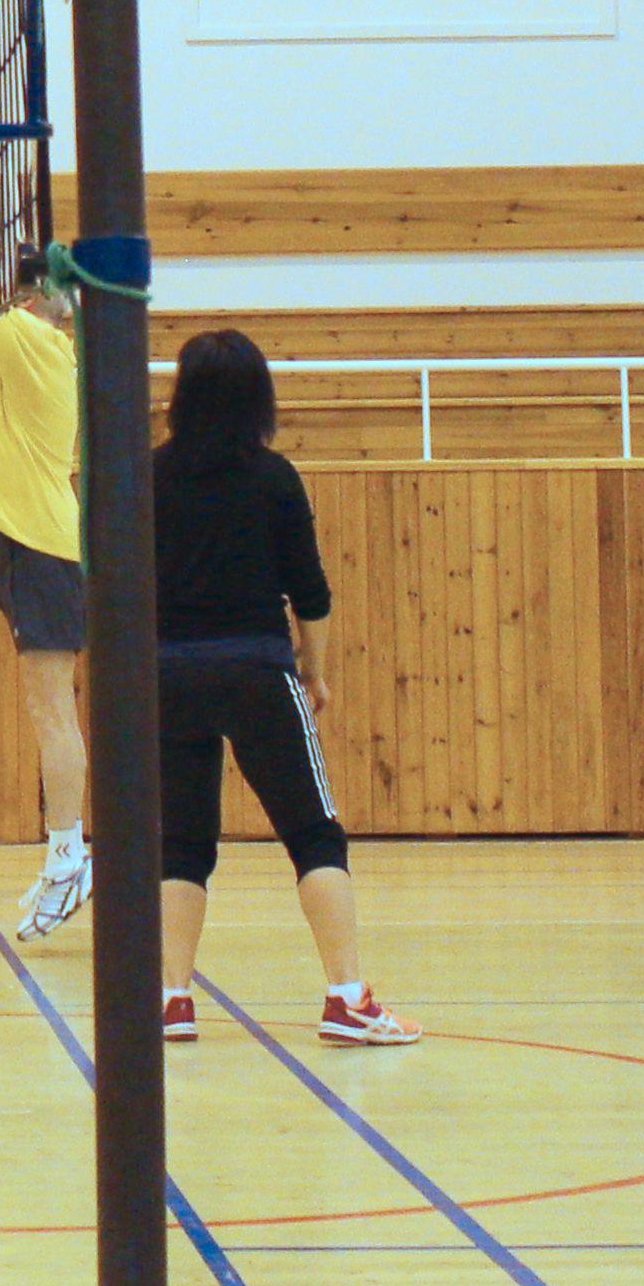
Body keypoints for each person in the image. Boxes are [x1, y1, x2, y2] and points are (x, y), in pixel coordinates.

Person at [148, 328, 413, 1051]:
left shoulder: (149, 476)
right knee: (314, 834)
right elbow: (311, 593)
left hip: (168, 676)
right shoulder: (274, 479)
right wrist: (313, 670)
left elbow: (118, 584)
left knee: (182, 844)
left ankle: (171, 999)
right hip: (257, 671)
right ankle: (347, 999)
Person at [0, 270, 93, 939]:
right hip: (27, 543)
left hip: (41, 547)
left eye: (23, 287)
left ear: (39, 298)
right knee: (49, 709)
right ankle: (66, 853)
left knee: (52, 711)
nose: (11, 295)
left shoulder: (30, 340)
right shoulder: (39, 346)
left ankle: (68, 857)